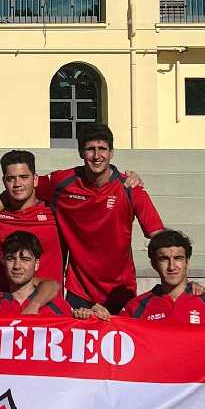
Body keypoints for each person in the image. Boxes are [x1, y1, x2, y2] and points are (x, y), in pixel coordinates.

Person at [35, 124, 164, 313]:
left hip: (121, 290)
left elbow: (159, 236)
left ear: (111, 152)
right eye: (90, 149)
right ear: (80, 152)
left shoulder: (129, 187)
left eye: (102, 149)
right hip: (79, 291)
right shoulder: (62, 182)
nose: (97, 156)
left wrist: (182, 286)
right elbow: (21, 186)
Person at [0, 150, 64, 289]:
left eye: (24, 177)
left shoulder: (55, 211)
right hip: (4, 302)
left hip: (49, 304)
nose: (17, 184)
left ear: (35, 179)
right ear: (4, 181)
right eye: (11, 178)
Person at [0, 232, 73, 318]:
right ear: (3, 260)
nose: (17, 266)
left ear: (36, 264)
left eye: (25, 259)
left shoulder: (60, 308)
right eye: (11, 259)